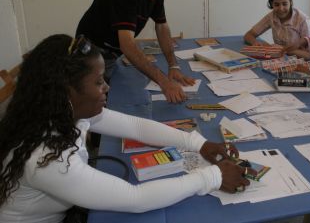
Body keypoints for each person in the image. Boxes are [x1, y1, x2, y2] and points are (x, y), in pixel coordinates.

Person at [0, 34, 255, 223]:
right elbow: (137, 199)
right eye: (99, 82)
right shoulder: (46, 158)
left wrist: (198, 144)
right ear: (66, 93)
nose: (106, 88)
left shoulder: (64, 114)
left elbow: (135, 126)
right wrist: (213, 176)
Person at [76, 0, 193, 103]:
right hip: (92, 52)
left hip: (112, 51)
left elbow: (161, 26)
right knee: (96, 105)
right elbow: (127, 45)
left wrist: (173, 66)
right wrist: (164, 82)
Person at [243, 0, 310, 60]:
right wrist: (256, 43)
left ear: (291, 2)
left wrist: (283, 49)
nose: (281, 8)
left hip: (304, 65)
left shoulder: (303, 20)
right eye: (276, 5)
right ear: (271, 4)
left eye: (284, 4)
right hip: (281, 60)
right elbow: (248, 35)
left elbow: (308, 56)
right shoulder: (271, 16)